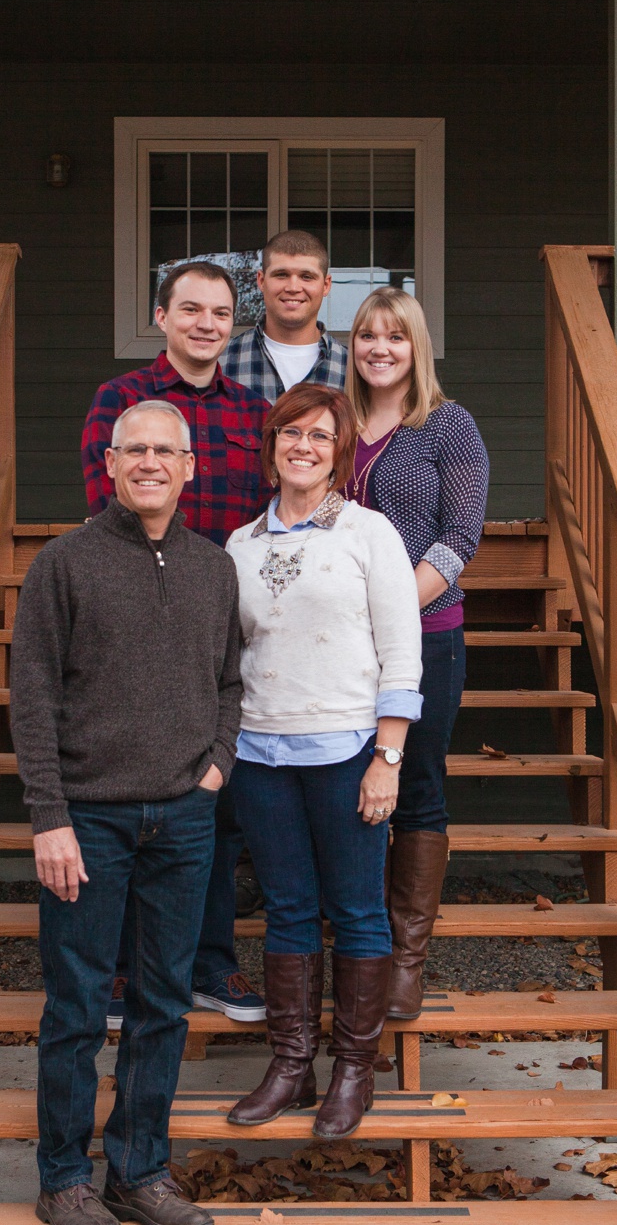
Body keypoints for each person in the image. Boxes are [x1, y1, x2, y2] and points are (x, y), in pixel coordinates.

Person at [12, 398, 242, 1225]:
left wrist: (217, 763)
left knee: (163, 1005)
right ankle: (64, 1179)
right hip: (89, 823)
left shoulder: (215, 568)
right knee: (75, 1004)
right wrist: (49, 817)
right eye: (133, 449)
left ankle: (139, 1171)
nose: (149, 462)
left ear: (190, 466)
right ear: (109, 464)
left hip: (184, 817)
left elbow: (230, 681)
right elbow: (30, 697)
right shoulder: (63, 565)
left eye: (165, 451)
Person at [223, 382, 422, 1139]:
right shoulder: (242, 545)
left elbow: (401, 651)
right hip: (263, 753)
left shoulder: (370, 534)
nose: (303, 446)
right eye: (290, 433)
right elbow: (237, 653)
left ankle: (353, 1071)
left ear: (340, 452)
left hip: (348, 752)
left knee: (359, 912)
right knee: (289, 910)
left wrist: (388, 756)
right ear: (271, 445)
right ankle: (291, 1065)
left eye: (319, 436)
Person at [80, 264, 268, 1026]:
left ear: (232, 325)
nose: (205, 323)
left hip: (223, 613)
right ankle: (127, 969)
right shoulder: (121, 404)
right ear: (162, 315)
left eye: (219, 312)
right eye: (190, 308)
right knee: (135, 790)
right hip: (136, 613)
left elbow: (264, 515)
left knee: (212, 794)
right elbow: (114, 505)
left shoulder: (256, 413)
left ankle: (209, 961)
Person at [340, 288, 489, 1019]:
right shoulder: (334, 424)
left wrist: (393, 612)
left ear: (416, 345)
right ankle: (359, 950)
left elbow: (460, 537)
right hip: (336, 648)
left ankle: (405, 959)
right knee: (348, 787)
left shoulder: (447, 425)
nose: (380, 348)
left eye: (395, 337)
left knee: (415, 784)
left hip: (428, 637)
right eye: (367, 334)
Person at [222, 229, 349, 403]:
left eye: (306, 276)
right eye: (281, 275)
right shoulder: (222, 360)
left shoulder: (351, 369)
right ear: (261, 280)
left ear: (326, 285)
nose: (293, 287)